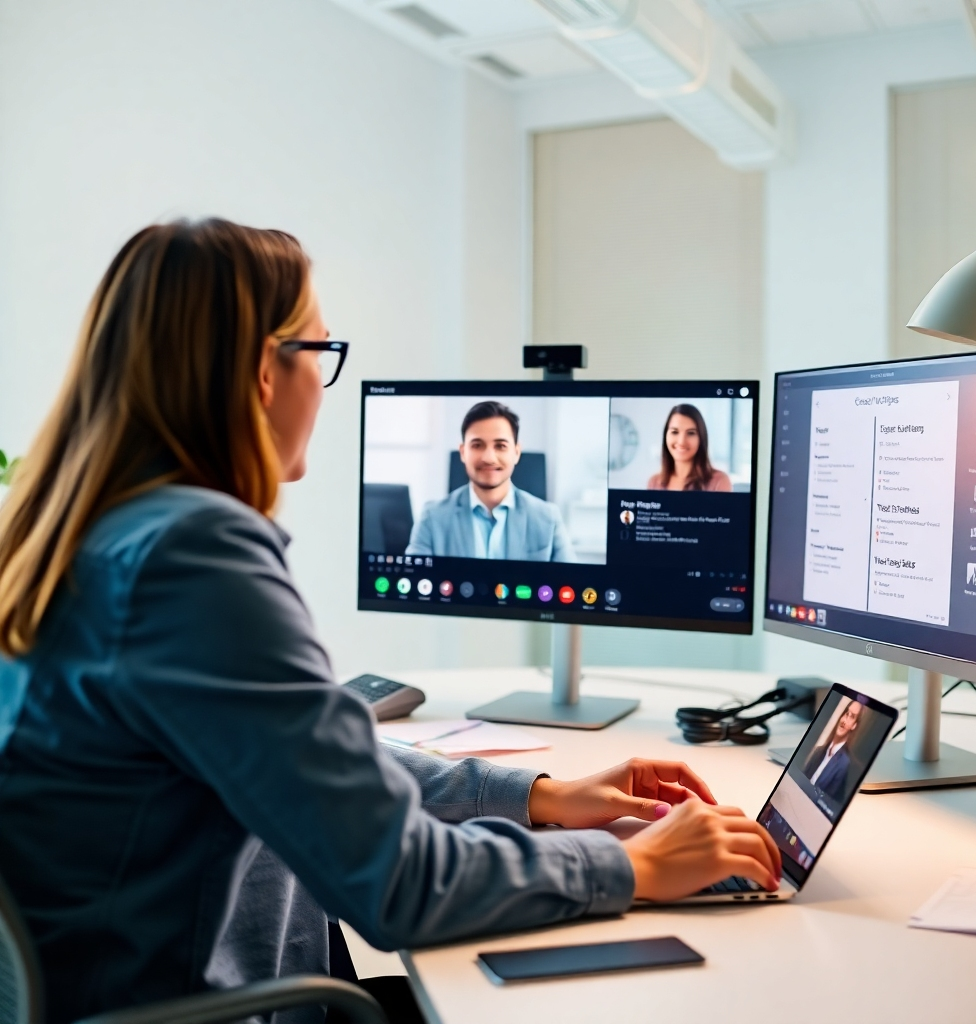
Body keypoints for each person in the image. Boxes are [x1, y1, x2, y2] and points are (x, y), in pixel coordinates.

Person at [0, 220, 780, 1024]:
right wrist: (633, 866)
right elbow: (394, 882)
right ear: (264, 372)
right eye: (322, 355)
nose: (323, 387)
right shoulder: (193, 558)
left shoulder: (92, 533)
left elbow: (311, 763)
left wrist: (541, 796)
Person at [406, 401, 575, 561]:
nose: (488, 458)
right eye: (477, 445)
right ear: (463, 453)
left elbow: (572, 582)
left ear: (516, 452)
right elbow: (413, 581)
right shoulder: (433, 517)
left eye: (500, 446)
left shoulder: (547, 517)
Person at [646, 404, 732, 492]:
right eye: (675, 432)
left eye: (691, 433)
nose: (681, 441)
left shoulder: (719, 482)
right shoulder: (654, 482)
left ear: (701, 438)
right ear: (666, 436)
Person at [802, 700, 863, 802]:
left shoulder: (844, 764)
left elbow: (828, 801)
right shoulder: (819, 751)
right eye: (846, 713)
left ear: (854, 725)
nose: (844, 720)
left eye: (851, 717)